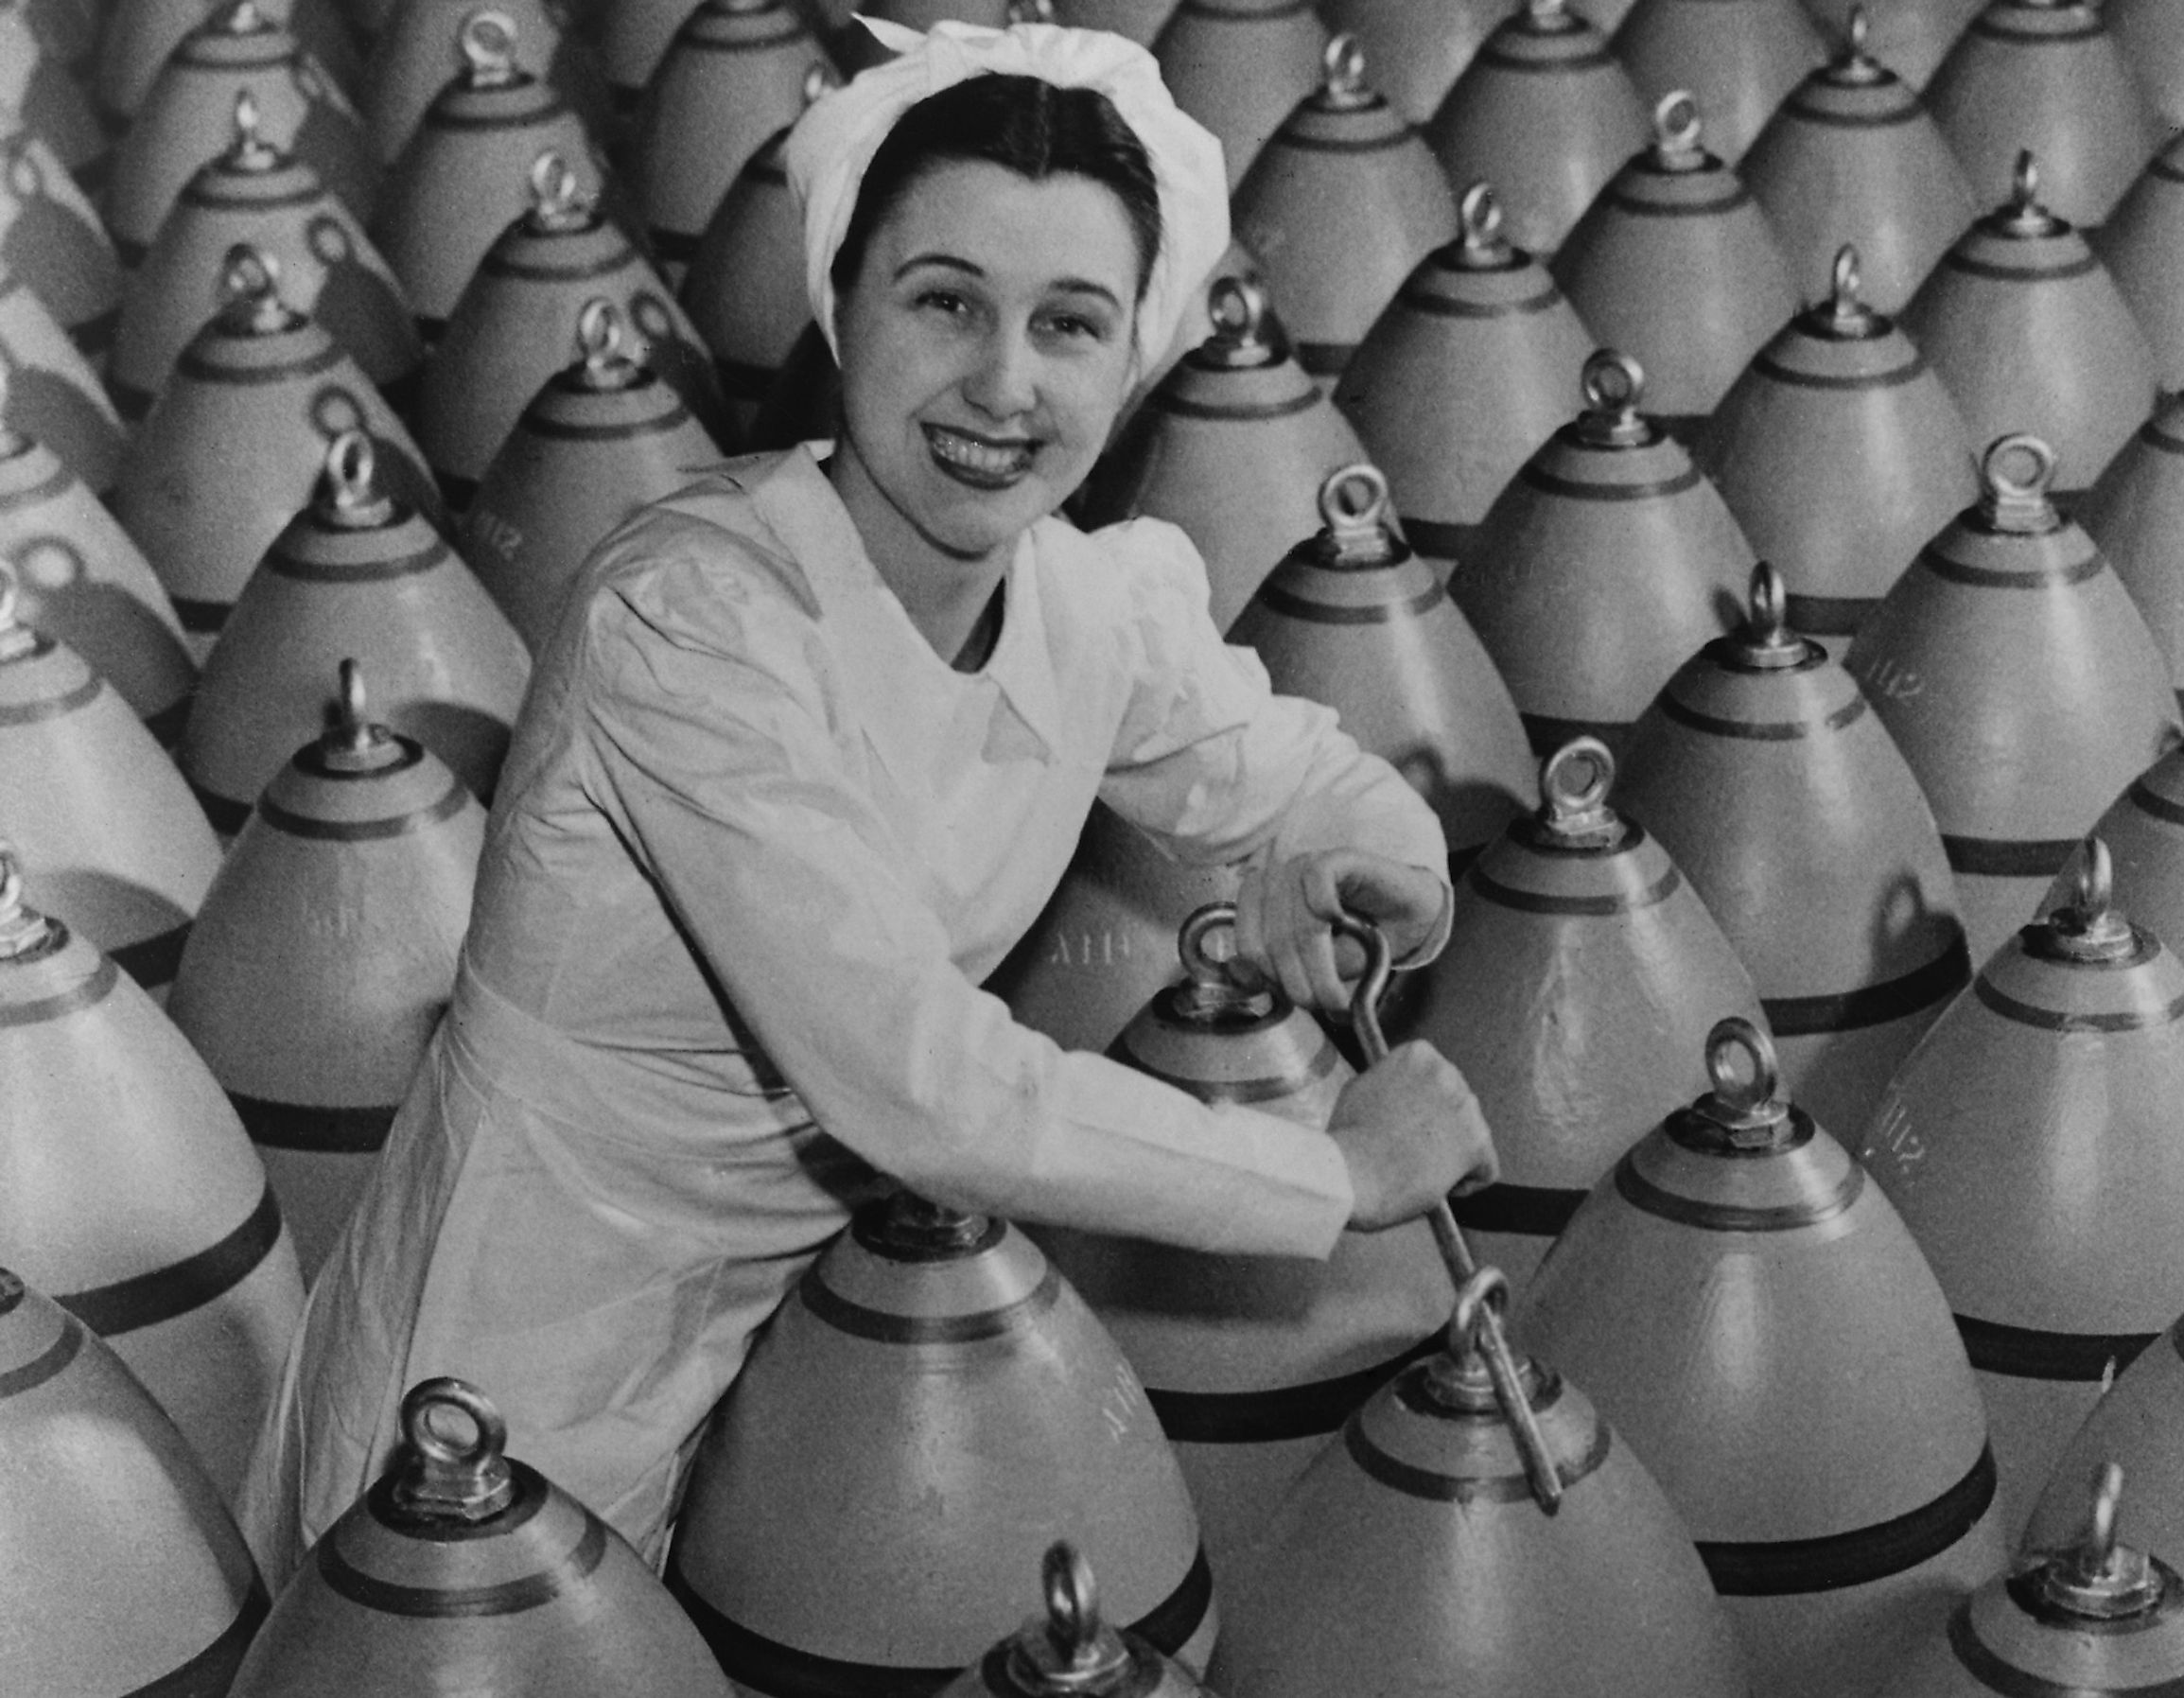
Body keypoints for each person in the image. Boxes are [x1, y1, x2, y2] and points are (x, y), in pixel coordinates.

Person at [236, 17, 1497, 1578]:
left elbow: (1287, 767)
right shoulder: (691, 623)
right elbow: (924, 1083)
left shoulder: (1085, 604)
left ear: (1133, 357)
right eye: (947, 301)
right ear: (843, 305)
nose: (1003, 383)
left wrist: (1358, 861)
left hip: (787, 1367)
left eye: (1070, 325)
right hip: (510, 1346)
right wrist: (1338, 1174)